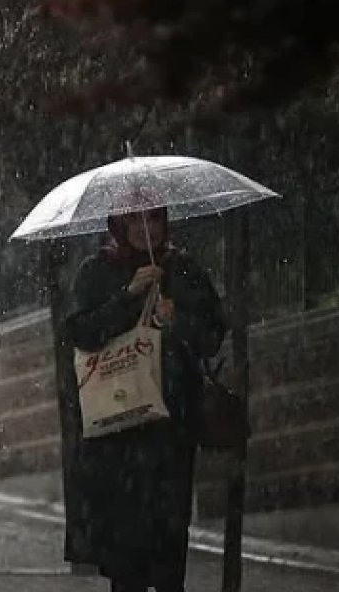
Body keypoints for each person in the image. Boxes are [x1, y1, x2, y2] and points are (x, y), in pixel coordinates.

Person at [66, 207, 226, 592]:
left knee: (170, 547)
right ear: (118, 225)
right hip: (118, 431)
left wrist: (178, 320)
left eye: (153, 219)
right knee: (127, 556)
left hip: (170, 429)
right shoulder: (97, 271)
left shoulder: (183, 269)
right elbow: (80, 332)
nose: (145, 229)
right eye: (134, 220)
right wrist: (128, 297)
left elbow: (212, 336)